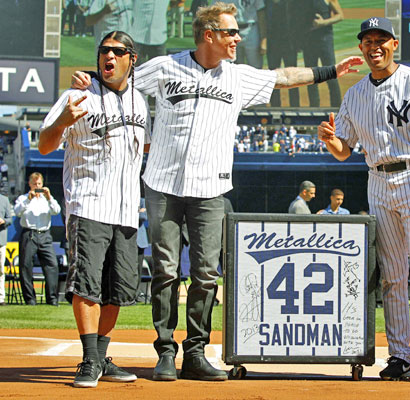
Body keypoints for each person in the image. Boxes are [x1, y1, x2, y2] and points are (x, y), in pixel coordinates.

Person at [71, 1, 362, 383]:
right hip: (163, 184)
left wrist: (331, 71)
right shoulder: (166, 66)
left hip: (211, 189)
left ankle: (195, 352)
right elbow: (121, 79)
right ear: (210, 35)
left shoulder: (237, 76)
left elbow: (285, 76)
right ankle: (164, 351)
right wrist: (91, 78)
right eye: (231, 32)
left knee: (207, 274)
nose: (239, 37)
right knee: (165, 272)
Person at [318, 17, 410, 383]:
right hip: (377, 180)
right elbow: (344, 151)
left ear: (394, 44)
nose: (374, 45)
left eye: (382, 39)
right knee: (392, 275)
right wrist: (329, 139)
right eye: (367, 40)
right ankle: (399, 356)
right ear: (360, 48)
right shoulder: (355, 94)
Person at [39, 31, 149, 388]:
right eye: (104, 51)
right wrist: (62, 122)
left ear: (132, 58)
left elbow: (142, 150)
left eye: (118, 52)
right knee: (87, 284)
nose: (110, 57)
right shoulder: (76, 95)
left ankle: (101, 357)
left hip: (127, 210)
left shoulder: (141, 101)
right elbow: (44, 145)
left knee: (118, 288)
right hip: (88, 203)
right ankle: (88, 360)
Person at [14, 173, 61, 306]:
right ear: (30, 184)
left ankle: (52, 298)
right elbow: (17, 212)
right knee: (25, 266)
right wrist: (28, 199)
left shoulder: (47, 199)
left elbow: (56, 210)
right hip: (29, 234)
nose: (37, 187)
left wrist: (49, 196)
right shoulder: (23, 198)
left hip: (45, 234)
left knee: (52, 265)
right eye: (34, 184)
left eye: (39, 184)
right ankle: (30, 299)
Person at [300, 0, 343, 107]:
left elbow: (340, 15)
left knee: (331, 75)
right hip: (308, 40)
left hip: (324, 40)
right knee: (310, 78)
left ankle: (337, 109)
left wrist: (323, 23)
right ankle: (314, 108)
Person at [265, 0, 299, 107]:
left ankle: (295, 107)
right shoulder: (267, 2)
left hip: (289, 42)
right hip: (273, 41)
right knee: (273, 76)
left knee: (293, 76)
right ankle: (275, 107)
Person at [219, 0, 266, 69]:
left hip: (251, 28)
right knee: (232, 67)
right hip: (230, 31)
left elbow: (261, 12)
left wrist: (264, 38)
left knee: (255, 66)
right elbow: (214, 11)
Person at [0, 192, 13, 306]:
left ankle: (1, 297)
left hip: (0, 240)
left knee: (0, 270)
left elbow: (10, 219)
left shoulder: (4, 200)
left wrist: (3, 221)